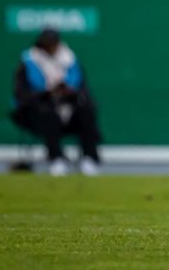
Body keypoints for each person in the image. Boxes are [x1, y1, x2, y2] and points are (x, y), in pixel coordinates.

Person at [11, 28, 102, 176]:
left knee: (86, 111)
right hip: (38, 112)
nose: (51, 47)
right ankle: (56, 159)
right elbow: (23, 95)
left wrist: (69, 92)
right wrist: (47, 93)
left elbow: (82, 90)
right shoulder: (29, 61)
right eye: (48, 43)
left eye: (53, 43)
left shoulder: (69, 59)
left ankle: (89, 159)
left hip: (68, 108)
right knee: (47, 113)